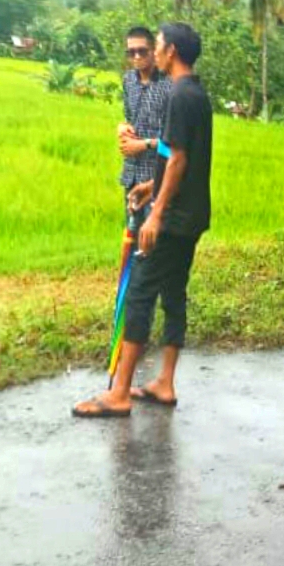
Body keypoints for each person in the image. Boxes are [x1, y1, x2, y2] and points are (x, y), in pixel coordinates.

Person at [74, 23, 212, 418]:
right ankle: (164, 382)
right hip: (191, 212)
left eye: (160, 45)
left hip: (172, 219)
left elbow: (181, 159)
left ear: (171, 52)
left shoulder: (179, 96)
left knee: (139, 292)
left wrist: (155, 216)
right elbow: (178, 156)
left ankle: (118, 394)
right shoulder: (195, 93)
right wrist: (151, 186)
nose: (155, 51)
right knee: (173, 293)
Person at [117, 26, 172, 234]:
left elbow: (176, 139)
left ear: (153, 51)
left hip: (155, 177)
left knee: (152, 240)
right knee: (131, 237)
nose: (136, 57)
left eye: (142, 51)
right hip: (130, 175)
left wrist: (141, 145)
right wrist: (122, 128)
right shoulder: (129, 80)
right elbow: (129, 118)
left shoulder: (169, 85)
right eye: (131, 52)